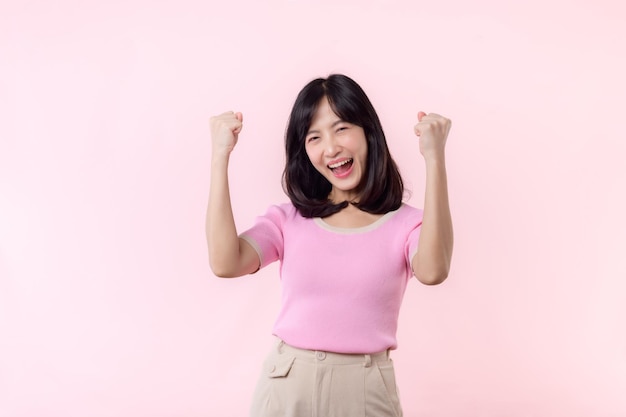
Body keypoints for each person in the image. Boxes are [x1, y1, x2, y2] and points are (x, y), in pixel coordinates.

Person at [206, 74, 453, 417]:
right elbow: (225, 262)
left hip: (365, 392)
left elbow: (433, 270)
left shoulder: (407, 224)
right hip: (286, 385)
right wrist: (220, 157)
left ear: (368, 130)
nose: (331, 148)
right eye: (314, 137)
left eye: (341, 128)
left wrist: (434, 159)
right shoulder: (287, 219)